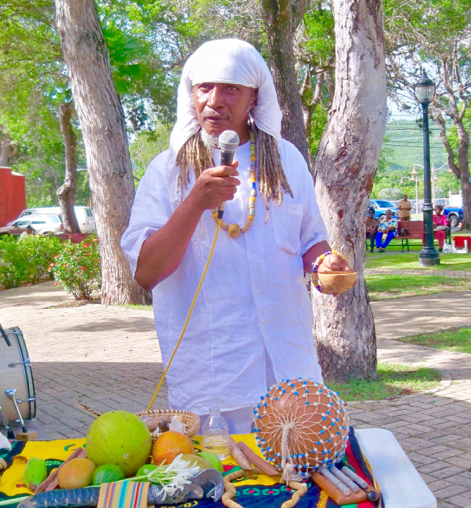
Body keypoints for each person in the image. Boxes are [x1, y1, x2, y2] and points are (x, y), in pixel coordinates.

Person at [121, 39, 352, 434]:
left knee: (300, 483)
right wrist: (195, 202)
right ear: (190, 94)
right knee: (224, 486)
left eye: (230, 89)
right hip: (215, 377)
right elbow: (147, 273)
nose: (214, 100)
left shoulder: (287, 160)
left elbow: (309, 239)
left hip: (289, 365)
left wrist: (323, 264)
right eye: (204, 88)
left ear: (254, 98)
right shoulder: (168, 171)